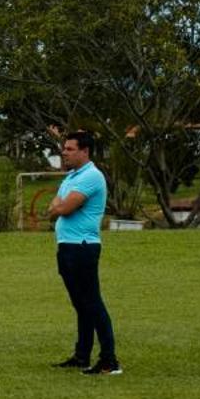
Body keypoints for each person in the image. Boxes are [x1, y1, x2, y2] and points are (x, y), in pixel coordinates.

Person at [48, 130, 120, 375]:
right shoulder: (71, 177)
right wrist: (59, 206)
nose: (64, 153)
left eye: (70, 149)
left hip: (83, 247)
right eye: (64, 148)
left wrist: (60, 206)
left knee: (92, 303)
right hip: (67, 246)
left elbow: (64, 208)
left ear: (85, 151)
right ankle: (82, 355)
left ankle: (109, 360)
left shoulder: (91, 176)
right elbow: (52, 207)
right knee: (81, 304)